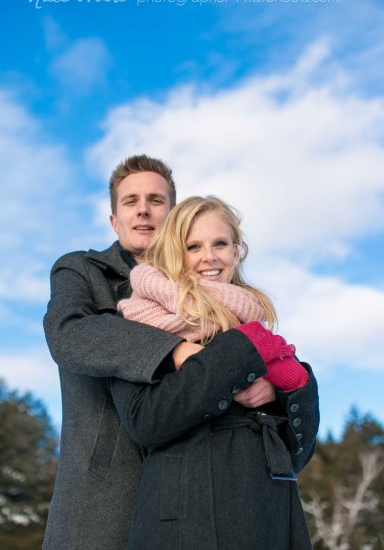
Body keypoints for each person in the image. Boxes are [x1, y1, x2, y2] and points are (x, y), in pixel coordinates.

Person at [42, 156, 316, 550]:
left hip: (204, 481)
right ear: (114, 220)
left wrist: (282, 384)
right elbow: (69, 334)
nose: (143, 209)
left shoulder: (217, 294)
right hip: (108, 488)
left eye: (156, 200)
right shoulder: (84, 272)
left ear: (173, 216)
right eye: (130, 201)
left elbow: (262, 372)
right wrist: (178, 349)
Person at [110, 196, 319, 549]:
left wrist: (292, 386)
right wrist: (243, 348)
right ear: (176, 254)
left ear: (236, 251)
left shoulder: (258, 327)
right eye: (194, 246)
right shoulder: (138, 320)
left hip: (269, 513)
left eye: (220, 243)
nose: (209, 256)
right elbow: (145, 421)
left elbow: (297, 454)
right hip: (187, 519)